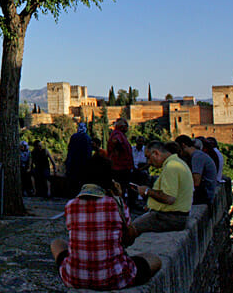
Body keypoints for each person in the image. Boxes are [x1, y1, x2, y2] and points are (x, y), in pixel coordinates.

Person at [51, 156, 162, 290]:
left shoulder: (71, 205)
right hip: (114, 278)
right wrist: (119, 198)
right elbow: (129, 239)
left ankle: (76, 270)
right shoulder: (115, 203)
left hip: (75, 279)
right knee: (154, 259)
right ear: (110, 180)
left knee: (56, 244)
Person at [131, 141, 193, 235]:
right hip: (174, 216)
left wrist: (147, 191)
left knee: (131, 229)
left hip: (170, 218)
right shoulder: (176, 163)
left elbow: (169, 198)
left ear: (156, 153)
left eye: (148, 158)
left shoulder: (171, 167)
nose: (149, 162)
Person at [175, 135, 217, 205]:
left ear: (183, 145)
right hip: (206, 192)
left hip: (205, 194)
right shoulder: (198, 155)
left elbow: (196, 182)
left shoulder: (197, 157)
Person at [108, 118, 134, 206]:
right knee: (121, 187)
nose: (127, 129)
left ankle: (124, 204)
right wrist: (117, 151)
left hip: (122, 166)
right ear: (122, 127)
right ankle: (120, 205)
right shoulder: (117, 134)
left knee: (124, 186)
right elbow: (115, 141)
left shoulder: (120, 134)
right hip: (120, 167)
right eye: (126, 127)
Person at [65, 122, 92, 196]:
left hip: (74, 164)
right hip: (83, 164)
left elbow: (70, 150)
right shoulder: (87, 138)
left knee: (74, 183)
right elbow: (88, 152)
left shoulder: (74, 137)